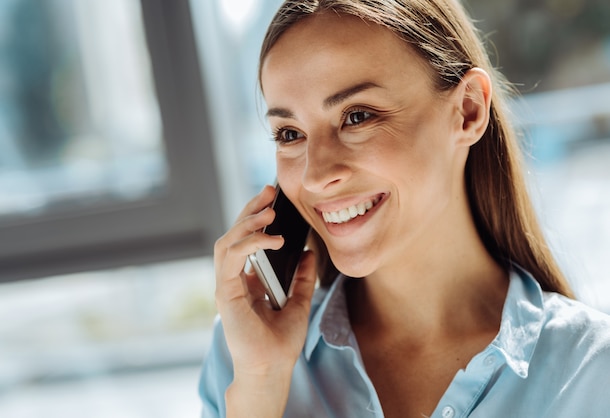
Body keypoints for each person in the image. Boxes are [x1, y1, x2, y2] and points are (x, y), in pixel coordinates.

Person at [199, 1, 610, 417]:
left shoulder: (592, 373)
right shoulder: (244, 355)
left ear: (468, 111)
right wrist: (261, 385)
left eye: (356, 116)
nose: (315, 176)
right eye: (290, 133)